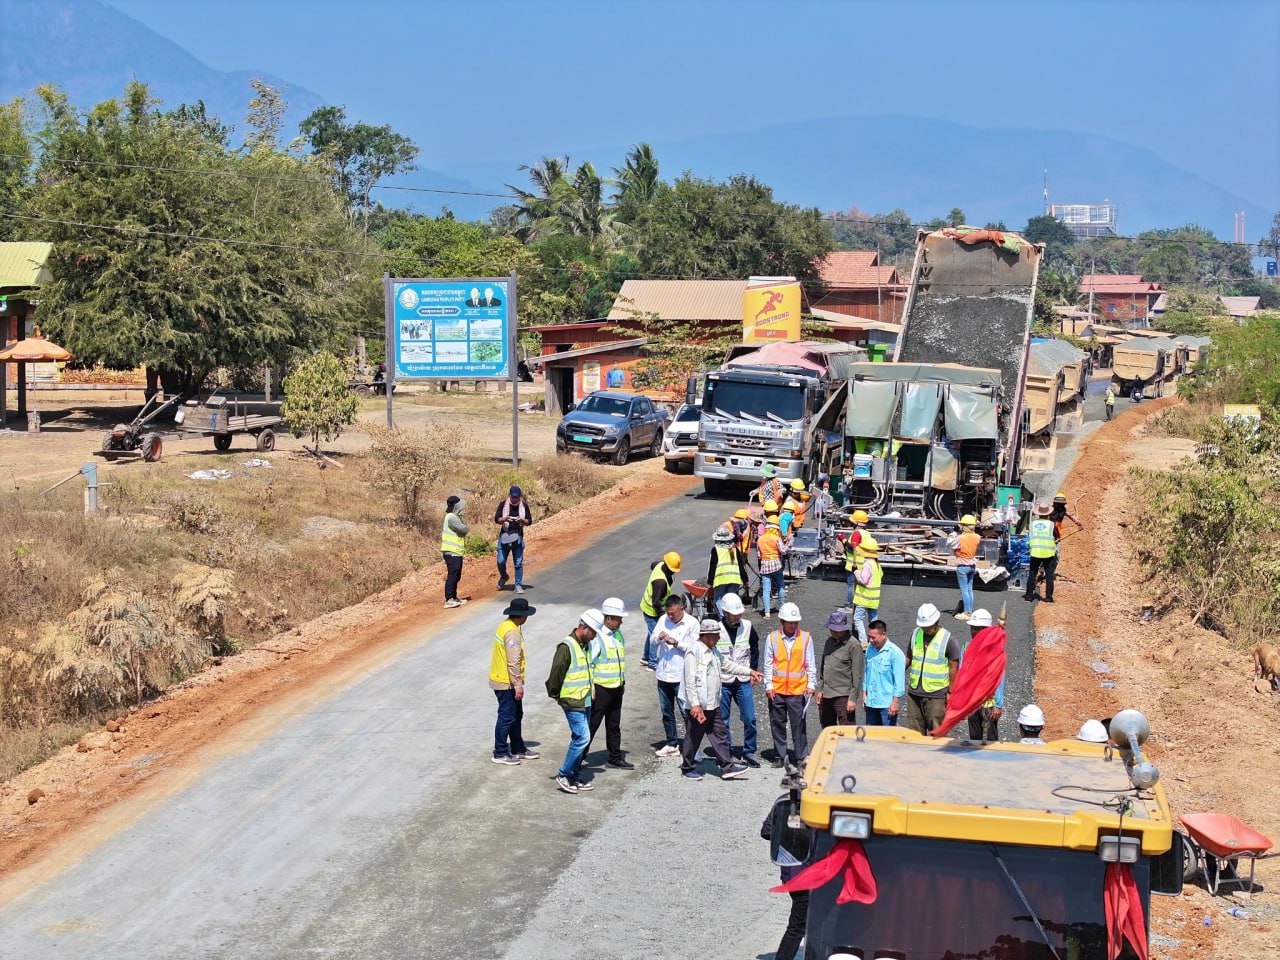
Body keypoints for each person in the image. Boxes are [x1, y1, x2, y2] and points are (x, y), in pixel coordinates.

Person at [679, 619, 760, 780]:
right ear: (707, 636)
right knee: (693, 737)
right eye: (716, 636)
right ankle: (687, 767)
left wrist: (749, 672)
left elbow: (728, 665)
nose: (718, 639)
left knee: (720, 735)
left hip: (713, 704)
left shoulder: (713, 651)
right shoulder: (693, 652)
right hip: (699, 706)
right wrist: (695, 705)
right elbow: (690, 681)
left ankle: (727, 767)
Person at [546, 609, 604, 794]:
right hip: (572, 700)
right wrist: (557, 696)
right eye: (593, 632)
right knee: (583, 737)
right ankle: (564, 774)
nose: (594, 636)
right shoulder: (567, 646)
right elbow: (556, 674)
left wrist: (591, 691)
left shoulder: (584, 646)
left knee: (580, 738)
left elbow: (587, 671)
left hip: (584, 699)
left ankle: (573, 775)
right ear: (584, 627)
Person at [763, 603, 816, 767]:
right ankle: (780, 756)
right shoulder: (772, 638)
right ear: (782, 621)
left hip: (797, 690)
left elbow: (810, 663)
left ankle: (800, 757)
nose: (793, 625)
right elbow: (768, 663)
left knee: (798, 725)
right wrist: (768, 685)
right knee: (777, 724)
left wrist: (811, 684)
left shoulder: (806, 638)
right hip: (777, 690)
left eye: (795, 622)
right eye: (790, 622)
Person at [489, 597, 539, 764]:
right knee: (506, 716)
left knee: (516, 715)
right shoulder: (511, 632)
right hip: (506, 682)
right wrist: (517, 684)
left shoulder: (507, 625)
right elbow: (513, 661)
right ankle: (500, 752)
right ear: (521, 615)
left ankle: (518, 747)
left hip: (505, 679)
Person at [715, 593, 762, 766]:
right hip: (723, 681)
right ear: (725, 613)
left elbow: (755, 648)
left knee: (749, 718)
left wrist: (753, 671)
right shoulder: (716, 629)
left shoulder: (748, 627)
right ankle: (726, 752)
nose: (739, 616)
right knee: (723, 720)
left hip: (743, 680)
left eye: (740, 613)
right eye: (735, 614)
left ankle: (749, 751)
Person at [651, 593, 700, 757]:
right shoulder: (663, 620)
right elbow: (651, 641)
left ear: (682, 608)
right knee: (667, 712)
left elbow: (696, 648)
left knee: (687, 712)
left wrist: (677, 643)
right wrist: (659, 638)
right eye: (668, 613)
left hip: (681, 675)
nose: (670, 616)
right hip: (663, 674)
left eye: (674, 613)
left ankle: (693, 746)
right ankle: (672, 743)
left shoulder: (692, 623)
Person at [588, 597, 633, 770]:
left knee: (614, 725)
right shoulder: (597, 637)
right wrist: (591, 688)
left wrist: (621, 681)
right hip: (601, 689)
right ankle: (578, 757)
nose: (621, 622)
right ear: (608, 618)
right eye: (618, 618)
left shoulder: (617, 635)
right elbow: (590, 663)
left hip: (616, 687)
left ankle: (614, 757)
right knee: (592, 724)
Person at [903, 602, 961, 735]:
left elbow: (954, 668)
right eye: (923, 626)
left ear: (937, 621)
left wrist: (951, 693)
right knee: (915, 735)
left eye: (928, 626)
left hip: (936, 695)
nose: (926, 629)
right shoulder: (916, 633)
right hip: (914, 693)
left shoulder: (948, 639)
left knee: (937, 734)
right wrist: (896, 674)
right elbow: (909, 657)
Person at [760, 804, 808, 960]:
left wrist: (789, 837)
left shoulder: (785, 801)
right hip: (813, 873)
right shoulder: (824, 803)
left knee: (798, 925)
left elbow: (766, 831)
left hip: (792, 873)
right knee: (800, 926)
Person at [960, 609, 1005, 742]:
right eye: (972, 628)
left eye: (976, 629)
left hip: (989, 704)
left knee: (990, 741)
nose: (972, 632)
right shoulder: (967, 647)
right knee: (974, 739)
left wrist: (998, 704)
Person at [817, 608, 863, 728]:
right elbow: (824, 669)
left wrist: (853, 698)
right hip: (826, 695)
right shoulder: (829, 642)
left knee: (847, 733)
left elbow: (857, 675)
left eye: (838, 630)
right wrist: (820, 690)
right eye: (832, 629)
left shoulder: (854, 645)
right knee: (827, 731)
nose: (835, 632)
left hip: (843, 696)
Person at [639, 552, 682, 668]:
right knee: (656, 635)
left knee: (651, 633)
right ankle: (652, 663)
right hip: (651, 610)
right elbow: (656, 602)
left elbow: (653, 565)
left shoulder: (660, 565)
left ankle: (646, 657)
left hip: (648, 606)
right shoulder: (660, 583)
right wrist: (664, 615)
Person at [862, 619, 905, 726]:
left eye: (873, 637)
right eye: (869, 636)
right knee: (871, 737)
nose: (870, 640)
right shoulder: (869, 649)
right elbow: (866, 673)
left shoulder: (895, 653)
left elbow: (899, 680)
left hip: (886, 705)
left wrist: (895, 703)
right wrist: (864, 694)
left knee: (887, 738)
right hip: (871, 702)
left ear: (883, 634)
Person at [495, 486, 533, 594]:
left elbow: (529, 521)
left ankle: (518, 585)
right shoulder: (503, 505)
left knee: (518, 563)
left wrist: (522, 520)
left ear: (519, 496)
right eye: (513, 497)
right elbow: (497, 519)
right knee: (500, 561)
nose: (515, 499)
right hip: (504, 537)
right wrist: (505, 519)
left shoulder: (524, 506)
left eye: (517, 497)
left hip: (518, 538)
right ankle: (504, 576)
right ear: (510, 496)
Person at [850, 535, 882, 649]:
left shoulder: (868, 565)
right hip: (874, 598)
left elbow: (864, 580)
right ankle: (876, 640)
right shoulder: (877, 564)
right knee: (873, 621)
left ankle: (863, 641)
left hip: (864, 597)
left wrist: (856, 572)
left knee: (857, 619)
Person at [1023, 504, 1059, 604]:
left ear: (1038, 514)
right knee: (1049, 575)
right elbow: (1056, 537)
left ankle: (1028, 596)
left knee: (1032, 573)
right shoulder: (1052, 525)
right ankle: (1048, 597)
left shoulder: (1032, 524)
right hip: (1048, 553)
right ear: (1048, 514)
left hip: (1035, 552)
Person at [707, 526, 746, 615]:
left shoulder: (716, 550)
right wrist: (745, 580)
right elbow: (740, 566)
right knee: (730, 600)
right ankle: (730, 618)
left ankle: (723, 618)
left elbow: (712, 567)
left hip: (721, 579)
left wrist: (710, 582)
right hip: (735, 578)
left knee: (718, 599)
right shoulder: (734, 549)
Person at [441, 495, 470, 609]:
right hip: (452, 552)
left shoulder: (452, 517)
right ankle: (449, 599)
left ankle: (453, 597)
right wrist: (465, 527)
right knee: (453, 575)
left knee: (456, 575)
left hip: (455, 552)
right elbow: (464, 529)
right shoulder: (452, 517)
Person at [953, 515, 981, 622]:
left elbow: (950, 544)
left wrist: (954, 533)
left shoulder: (960, 538)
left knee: (964, 590)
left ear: (964, 526)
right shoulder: (977, 537)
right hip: (972, 565)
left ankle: (967, 612)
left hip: (962, 566)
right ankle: (969, 610)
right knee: (970, 589)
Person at [757, 515, 787, 618]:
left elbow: (759, 555)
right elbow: (783, 550)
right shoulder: (776, 538)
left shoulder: (760, 539)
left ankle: (767, 612)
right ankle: (782, 609)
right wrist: (788, 546)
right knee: (780, 585)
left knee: (766, 589)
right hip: (776, 564)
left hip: (764, 565)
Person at [841, 509, 870, 606]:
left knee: (851, 586)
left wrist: (843, 540)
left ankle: (850, 604)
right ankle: (860, 604)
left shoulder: (857, 533)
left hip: (854, 564)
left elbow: (852, 548)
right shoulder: (867, 534)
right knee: (860, 587)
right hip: (864, 564)